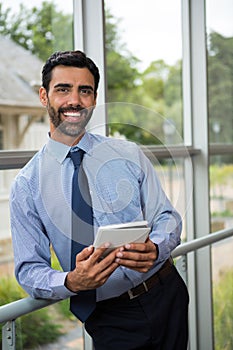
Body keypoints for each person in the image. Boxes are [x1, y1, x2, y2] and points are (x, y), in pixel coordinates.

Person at [10, 50, 189, 350]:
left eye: (85, 91)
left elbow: (167, 217)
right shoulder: (27, 186)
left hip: (167, 293)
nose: (75, 101)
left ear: (94, 98)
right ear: (44, 96)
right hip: (110, 317)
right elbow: (29, 269)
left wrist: (156, 247)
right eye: (63, 89)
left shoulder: (129, 153)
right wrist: (71, 281)